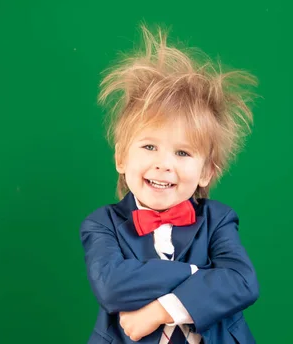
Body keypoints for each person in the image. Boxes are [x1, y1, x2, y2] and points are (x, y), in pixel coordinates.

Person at [80, 24, 260, 343]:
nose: (164, 164)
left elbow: (242, 282)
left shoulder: (219, 220)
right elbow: (112, 286)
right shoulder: (101, 224)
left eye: (182, 152)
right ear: (121, 158)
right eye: (149, 147)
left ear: (206, 172)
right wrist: (198, 275)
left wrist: (162, 309)